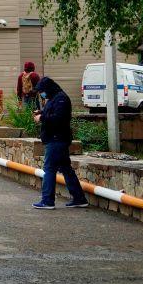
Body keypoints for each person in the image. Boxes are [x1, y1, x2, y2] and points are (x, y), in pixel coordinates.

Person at [31, 77, 89, 210]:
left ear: (48, 88)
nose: (41, 94)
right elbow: (54, 113)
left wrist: (42, 117)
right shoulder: (54, 98)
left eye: (42, 91)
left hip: (56, 139)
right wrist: (42, 112)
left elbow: (59, 118)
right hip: (56, 139)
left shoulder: (61, 99)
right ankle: (79, 198)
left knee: (49, 169)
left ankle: (47, 200)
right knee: (65, 169)